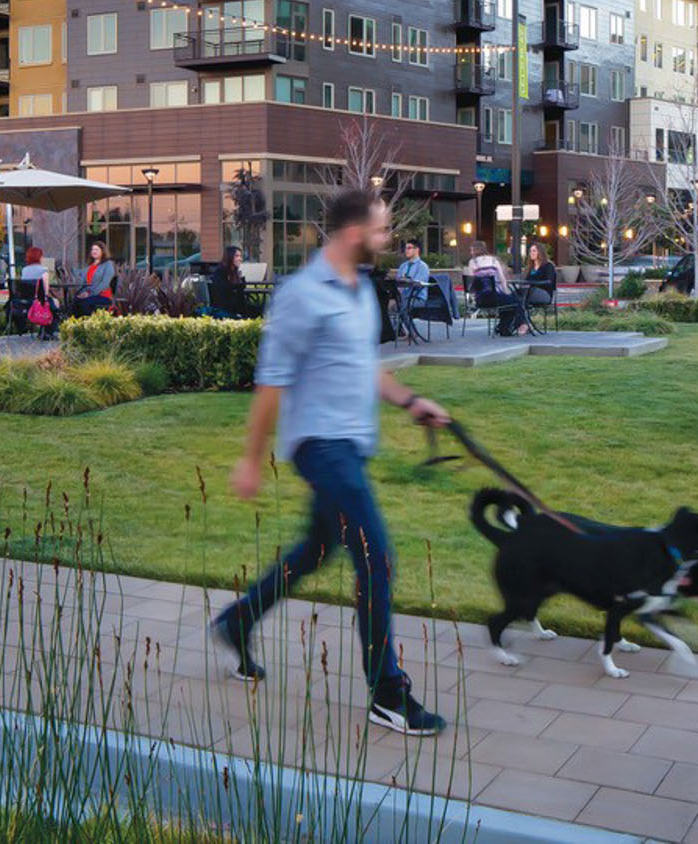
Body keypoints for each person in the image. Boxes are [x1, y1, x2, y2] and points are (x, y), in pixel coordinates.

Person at [213, 189, 452, 737]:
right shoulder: (302, 295)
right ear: (353, 233)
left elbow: (366, 369)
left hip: (351, 447)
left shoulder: (360, 291)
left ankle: (238, 620)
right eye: (382, 229)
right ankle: (387, 693)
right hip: (320, 446)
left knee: (318, 549)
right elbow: (271, 383)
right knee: (377, 556)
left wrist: (413, 403)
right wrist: (251, 460)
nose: (388, 239)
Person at [467, 243, 533, 337]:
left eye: (472, 250)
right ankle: (520, 324)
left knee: (509, 302)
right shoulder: (493, 261)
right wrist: (506, 291)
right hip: (496, 297)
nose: (471, 253)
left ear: (475, 251)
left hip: (481, 300)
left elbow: (471, 283)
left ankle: (503, 328)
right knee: (515, 301)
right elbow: (502, 280)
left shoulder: (472, 263)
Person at [210, 246, 257, 319]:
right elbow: (224, 292)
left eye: (240, 256)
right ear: (229, 257)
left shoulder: (235, 272)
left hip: (237, 306)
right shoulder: (220, 272)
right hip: (225, 308)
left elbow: (240, 292)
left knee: (260, 309)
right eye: (237, 256)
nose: (240, 259)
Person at [71, 239, 115, 317]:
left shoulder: (108, 264)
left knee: (85, 303)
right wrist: (82, 293)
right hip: (89, 295)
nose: (94, 251)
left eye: (96, 249)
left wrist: (89, 293)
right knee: (75, 302)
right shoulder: (89, 266)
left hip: (102, 295)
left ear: (102, 251)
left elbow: (105, 283)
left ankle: (88, 325)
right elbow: (83, 281)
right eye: (92, 249)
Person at [523, 242, 558, 310]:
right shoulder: (530, 268)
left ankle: (523, 319)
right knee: (517, 294)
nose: (531, 253)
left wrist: (534, 284)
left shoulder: (548, 266)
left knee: (523, 295)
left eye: (534, 251)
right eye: (530, 251)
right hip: (530, 292)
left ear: (540, 252)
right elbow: (525, 281)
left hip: (545, 294)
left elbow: (549, 282)